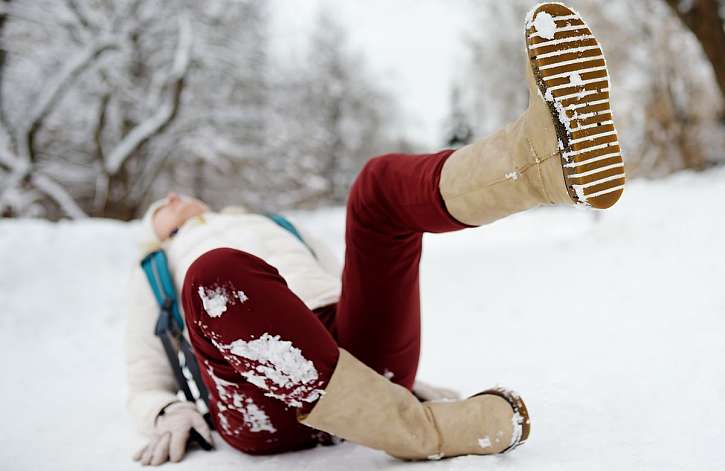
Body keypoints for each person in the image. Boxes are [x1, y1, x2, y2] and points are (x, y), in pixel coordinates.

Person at [126, 2, 624, 466]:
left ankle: (540, 162)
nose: (170, 201)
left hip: (351, 361)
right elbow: (144, 373)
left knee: (375, 188)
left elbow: (352, 288)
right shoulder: (157, 269)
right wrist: (163, 411)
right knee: (215, 275)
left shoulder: (276, 224)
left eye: (173, 198)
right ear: (158, 234)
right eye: (159, 212)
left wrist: (389, 388)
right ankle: (419, 432)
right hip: (263, 397)